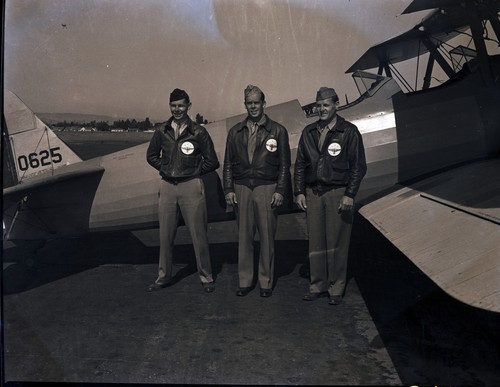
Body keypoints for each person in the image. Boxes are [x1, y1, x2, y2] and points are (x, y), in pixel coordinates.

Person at [294, 87, 367, 305]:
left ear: (336, 105)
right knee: (315, 242)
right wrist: (299, 191)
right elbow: (299, 165)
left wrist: (350, 194)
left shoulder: (349, 131)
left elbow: (358, 166)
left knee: (337, 242)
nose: (321, 109)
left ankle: (336, 288)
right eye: (318, 105)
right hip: (314, 193)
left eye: (326, 105)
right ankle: (317, 285)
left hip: (338, 193)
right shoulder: (308, 132)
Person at [146, 88, 219, 293]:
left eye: (181, 105)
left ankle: (206, 277)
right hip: (167, 186)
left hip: (191, 187)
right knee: (165, 236)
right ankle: (163, 277)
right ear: (170, 106)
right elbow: (151, 156)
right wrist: (166, 169)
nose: (177, 109)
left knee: (199, 235)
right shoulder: (162, 130)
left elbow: (212, 161)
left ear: (189, 106)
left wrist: (193, 172)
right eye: (173, 105)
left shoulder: (199, 131)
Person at [223, 85, 291, 298]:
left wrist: (280, 190)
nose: (253, 106)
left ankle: (265, 282)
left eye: (256, 102)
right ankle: (245, 281)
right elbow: (227, 164)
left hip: (266, 188)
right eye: (249, 102)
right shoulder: (235, 131)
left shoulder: (278, 131)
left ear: (263, 103)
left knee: (267, 237)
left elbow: (284, 165)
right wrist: (228, 189)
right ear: (245, 104)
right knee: (244, 238)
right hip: (242, 187)